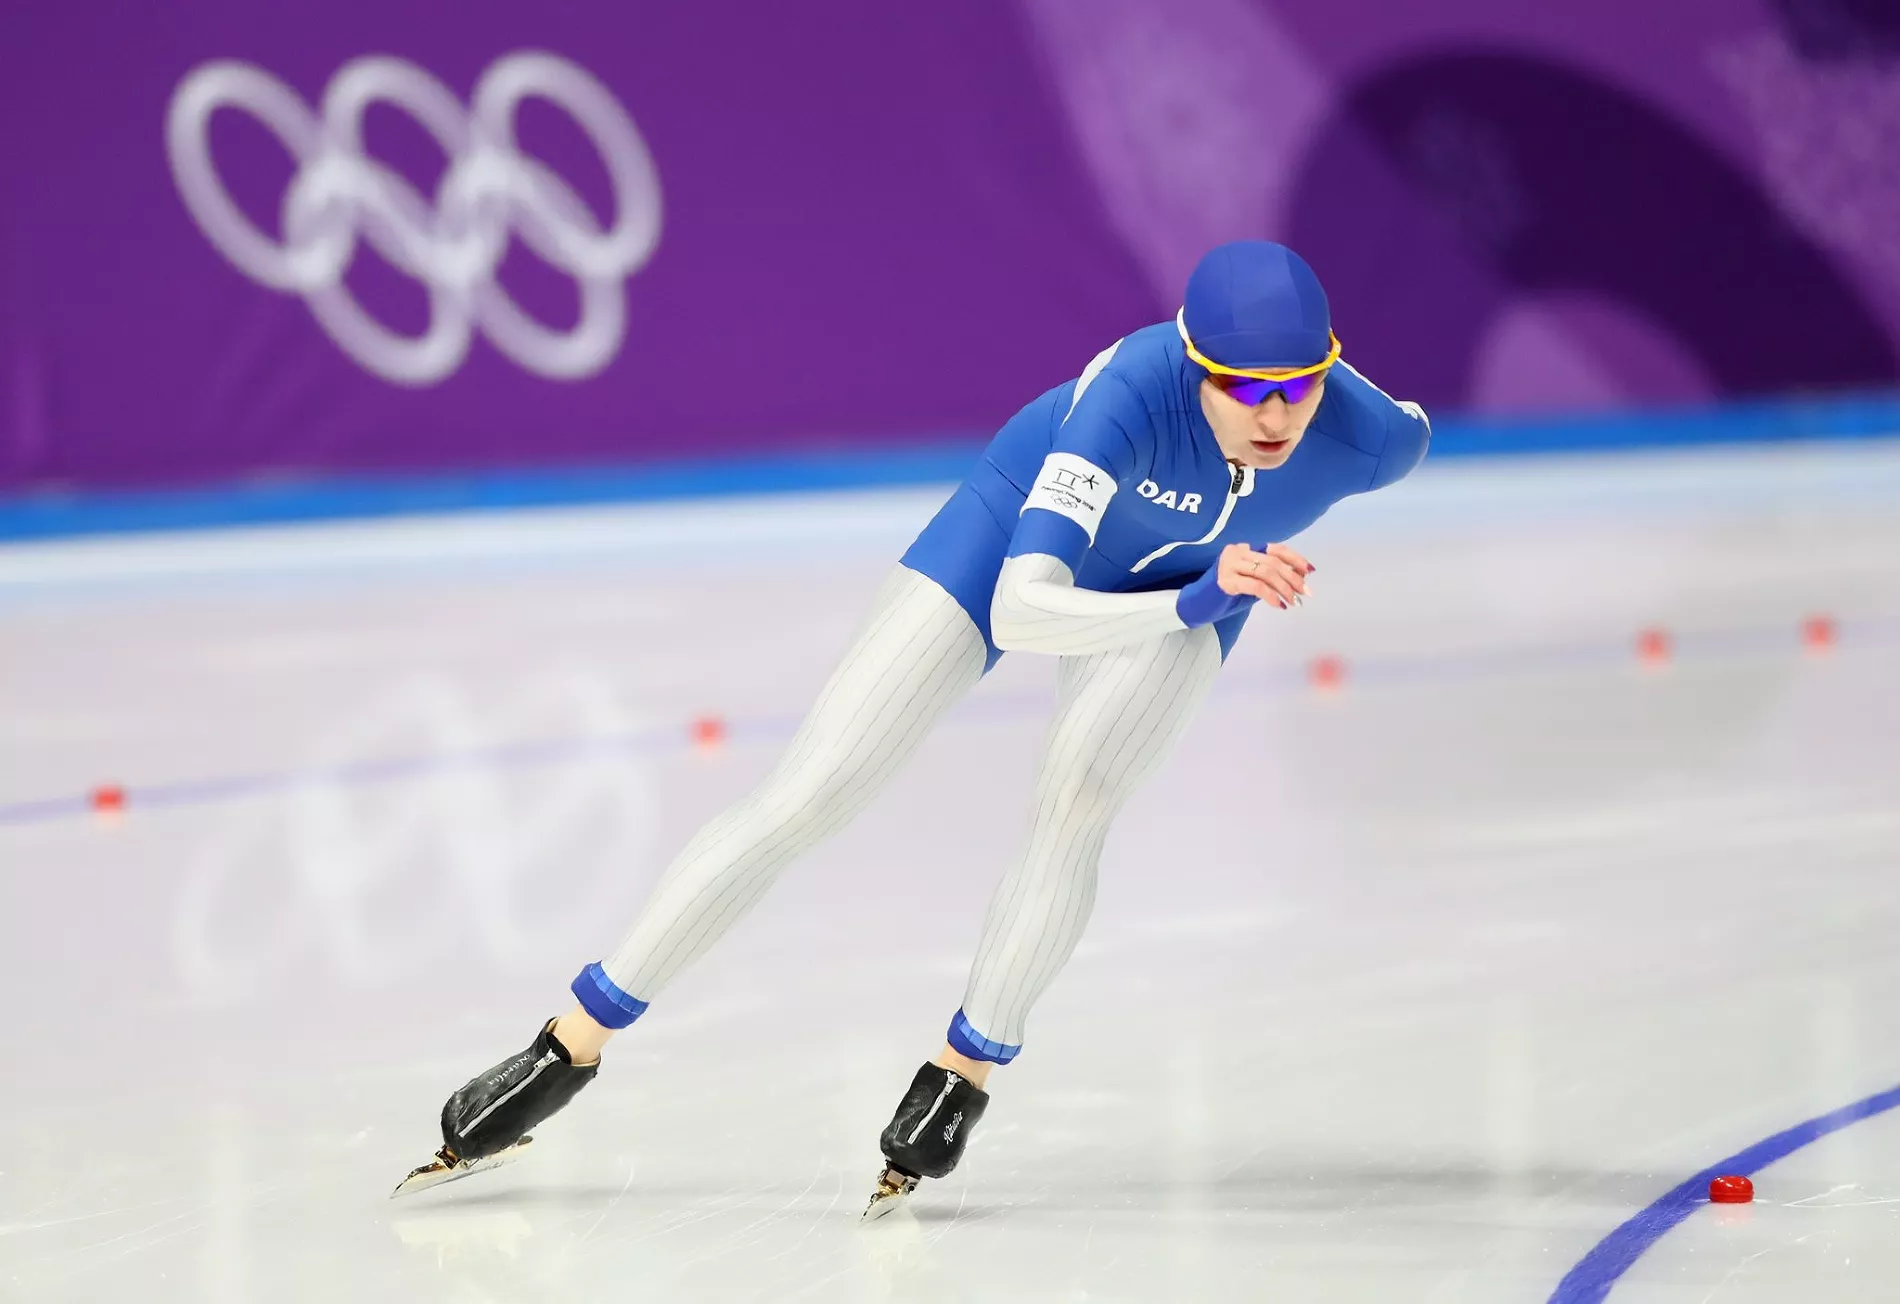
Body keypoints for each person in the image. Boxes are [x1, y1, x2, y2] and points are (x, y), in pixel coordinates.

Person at [395, 240, 1431, 1216]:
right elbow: (1023, 609)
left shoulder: (1369, 438)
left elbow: (1407, 419)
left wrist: (1198, 600)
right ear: (1195, 364)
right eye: (1243, 387)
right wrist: (1195, 599)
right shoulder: (1129, 396)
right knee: (813, 788)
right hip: (1023, 546)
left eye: (1298, 385)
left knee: (1078, 804)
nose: (1274, 414)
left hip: (1200, 591)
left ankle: (961, 1071)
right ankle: (565, 1046)